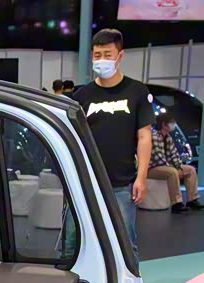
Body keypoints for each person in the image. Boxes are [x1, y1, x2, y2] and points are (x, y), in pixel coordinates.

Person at [73, 28, 153, 262]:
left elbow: (144, 137)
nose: (102, 60)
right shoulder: (82, 96)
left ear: (120, 56)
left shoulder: (136, 92)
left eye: (107, 54)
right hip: (85, 182)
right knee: (73, 240)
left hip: (121, 182)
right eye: (97, 55)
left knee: (125, 242)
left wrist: (141, 177)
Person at [148, 113, 204, 213]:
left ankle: (192, 200)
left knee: (190, 170)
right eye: (171, 122)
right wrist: (174, 169)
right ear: (164, 124)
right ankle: (176, 203)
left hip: (165, 167)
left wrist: (179, 167)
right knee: (172, 172)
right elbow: (158, 158)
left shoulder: (168, 138)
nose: (173, 124)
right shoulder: (154, 136)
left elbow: (174, 155)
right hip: (152, 169)